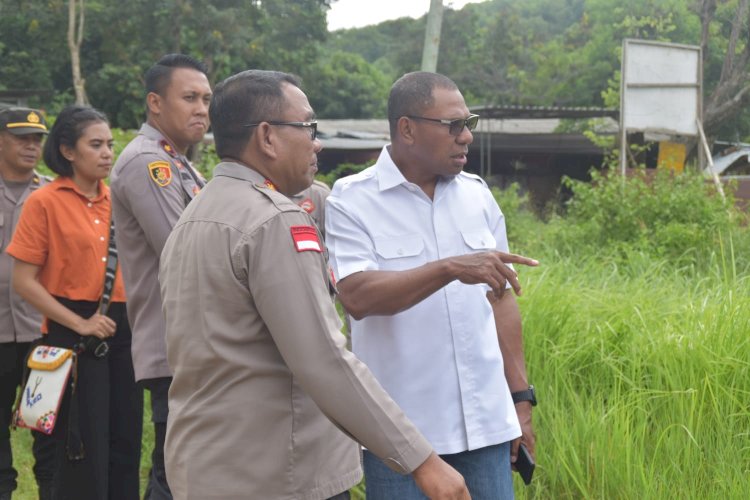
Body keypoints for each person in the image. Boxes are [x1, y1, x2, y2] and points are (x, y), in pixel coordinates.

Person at [159, 69, 470, 500]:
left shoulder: (197, 214)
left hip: (205, 467)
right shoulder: (274, 220)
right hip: (277, 474)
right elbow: (324, 360)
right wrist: (423, 461)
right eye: (308, 128)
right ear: (267, 137)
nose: (317, 142)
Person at [325, 71, 539, 499]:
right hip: (403, 439)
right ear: (407, 128)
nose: (466, 138)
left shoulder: (477, 196)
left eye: (468, 124)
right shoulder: (352, 199)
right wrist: (449, 268)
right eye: (453, 125)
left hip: (487, 428)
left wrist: (520, 400)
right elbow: (358, 297)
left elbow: (501, 303)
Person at [7, 105, 143, 500]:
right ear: (68, 151)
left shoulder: (119, 200)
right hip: (70, 334)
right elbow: (23, 283)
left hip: (122, 332)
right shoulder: (44, 201)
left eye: (109, 144)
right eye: (95, 144)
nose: (107, 153)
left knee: (125, 437)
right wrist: (81, 323)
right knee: (79, 444)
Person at [110, 53, 210, 500]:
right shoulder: (149, 163)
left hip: (194, 341)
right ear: (155, 102)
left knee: (191, 469)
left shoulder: (180, 162)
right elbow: (185, 250)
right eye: (189, 97)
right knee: (180, 476)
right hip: (178, 344)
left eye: (206, 99)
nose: (202, 109)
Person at [0, 107, 55, 500]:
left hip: (44, 333)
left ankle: (53, 491)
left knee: (47, 423)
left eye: (37, 138)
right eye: (21, 137)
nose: (31, 145)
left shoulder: (53, 194)